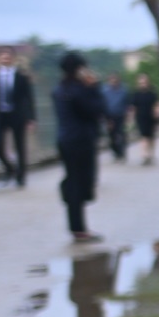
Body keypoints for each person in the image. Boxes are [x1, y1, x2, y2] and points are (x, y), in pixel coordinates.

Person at [53, 52, 106, 243]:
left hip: (65, 140)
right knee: (81, 183)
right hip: (81, 141)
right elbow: (97, 110)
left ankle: (77, 225)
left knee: (75, 181)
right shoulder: (79, 91)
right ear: (78, 69)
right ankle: (79, 228)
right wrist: (94, 87)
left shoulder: (59, 90)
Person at [0, 49, 36, 186]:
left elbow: (29, 98)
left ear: (13, 59)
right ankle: (9, 168)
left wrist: (31, 118)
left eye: (8, 57)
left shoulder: (21, 77)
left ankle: (21, 177)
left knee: (20, 146)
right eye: (2, 57)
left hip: (17, 115)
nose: (5, 59)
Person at [129, 72, 159, 164]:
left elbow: (158, 104)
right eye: (140, 83)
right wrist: (131, 118)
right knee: (143, 136)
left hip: (152, 117)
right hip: (141, 117)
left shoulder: (152, 93)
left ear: (148, 82)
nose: (142, 84)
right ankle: (145, 155)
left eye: (144, 82)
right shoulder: (136, 94)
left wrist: (158, 112)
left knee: (151, 137)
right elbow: (133, 107)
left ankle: (151, 154)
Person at [102, 73, 130, 161]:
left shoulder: (123, 90)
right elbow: (103, 105)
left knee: (121, 133)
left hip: (121, 115)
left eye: (115, 80)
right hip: (110, 116)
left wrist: (128, 115)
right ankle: (115, 151)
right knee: (112, 135)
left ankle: (122, 151)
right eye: (111, 80)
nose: (113, 82)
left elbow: (127, 103)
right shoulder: (104, 91)